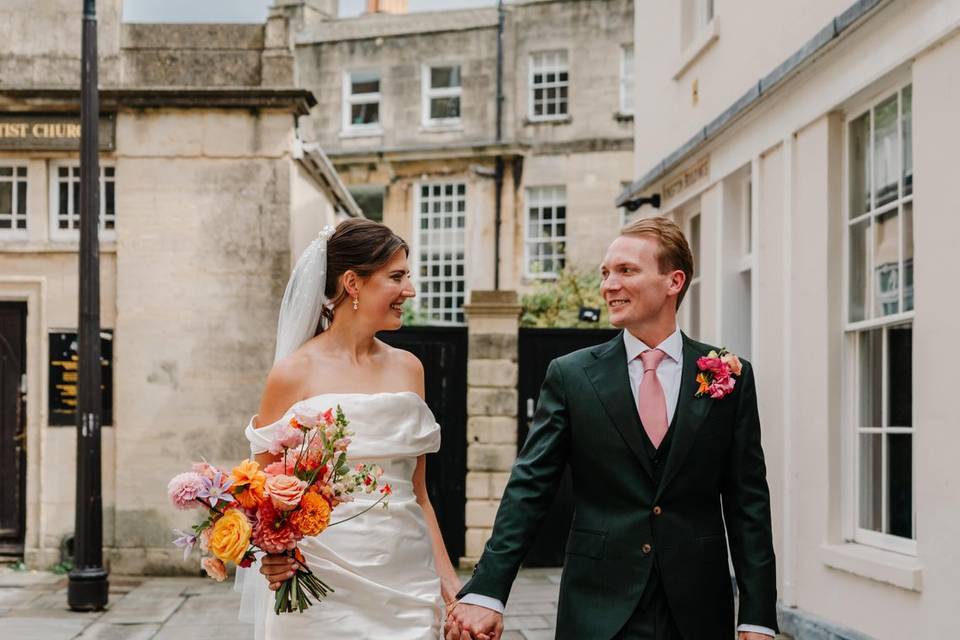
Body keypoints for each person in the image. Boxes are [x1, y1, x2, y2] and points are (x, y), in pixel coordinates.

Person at [446, 217, 778, 640]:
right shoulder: (572, 375)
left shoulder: (730, 376)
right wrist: (488, 591)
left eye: (626, 271)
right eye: (606, 273)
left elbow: (748, 501)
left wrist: (757, 616)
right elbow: (530, 487)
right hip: (598, 607)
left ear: (674, 281)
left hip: (697, 609)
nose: (608, 285)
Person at [238, 218, 460, 639]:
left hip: (407, 584)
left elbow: (420, 496)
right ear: (353, 283)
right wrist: (274, 552)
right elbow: (259, 494)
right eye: (396, 277)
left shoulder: (410, 370)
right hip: (320, 589)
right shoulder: (292, 374)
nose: (409, 291)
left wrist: (450, 586)